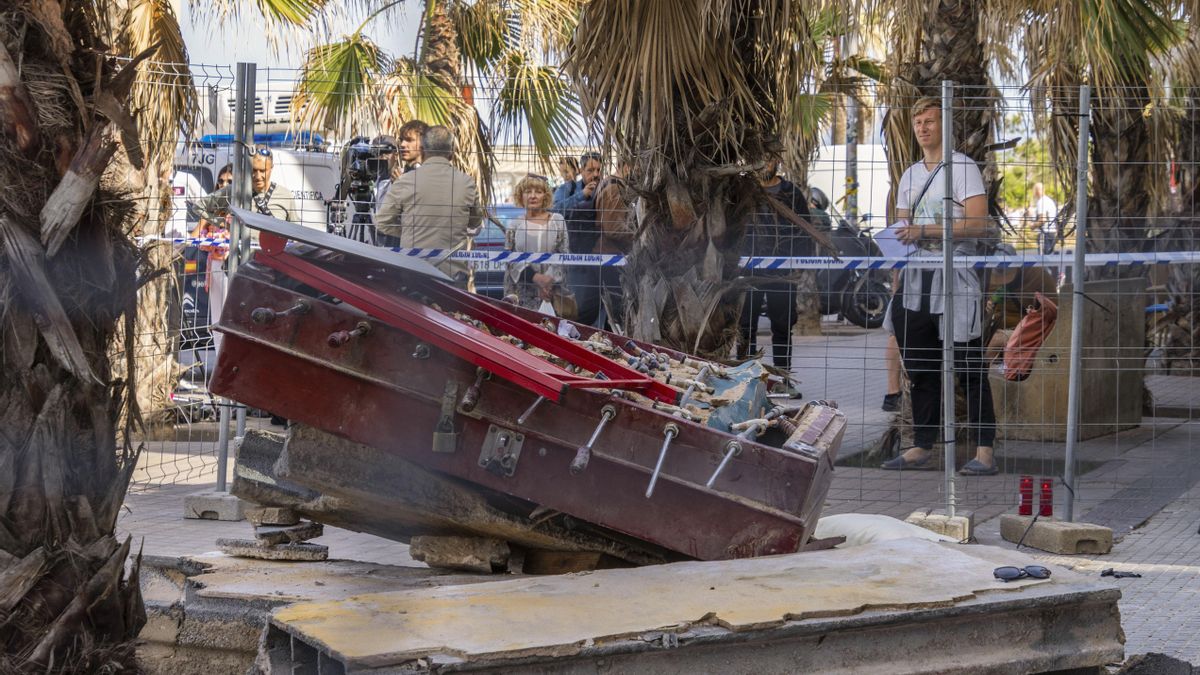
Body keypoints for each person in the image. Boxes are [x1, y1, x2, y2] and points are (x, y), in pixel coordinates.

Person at [881, 96, 998, 476]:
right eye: (917, 121)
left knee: (968, 365)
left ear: (944, 126)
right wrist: (897, 273)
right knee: (921, 367)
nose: (922, 128)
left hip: (956, 277)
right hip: (915, 280)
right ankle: (922, 445)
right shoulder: (910, 174)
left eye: (930, 121)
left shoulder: (963, 168)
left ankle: (984, 452)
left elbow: (979, 224)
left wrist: (926, 230)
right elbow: (901, 230)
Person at [374, 125, 482, 283]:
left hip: (414, 271)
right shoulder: (467, 183)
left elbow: (382, 222)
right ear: (452, 151)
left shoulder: (405, 181)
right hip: (453, 274)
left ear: (423, 150)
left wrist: (409, 231)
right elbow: (475, 222)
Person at [737, 156, 812, 375]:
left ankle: (783, 376)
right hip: (748, 269)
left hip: (782, 270)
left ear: (778, 160)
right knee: (745, 325)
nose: (764, 163)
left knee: (782, 325)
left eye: (769, 159)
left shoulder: (791, 193)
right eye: (760, 158)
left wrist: (799, 263)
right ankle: (743, 377)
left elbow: (804, 229)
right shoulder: (745, 191)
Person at [504, 175, 569, 314]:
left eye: (538, 192)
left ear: (545, 196)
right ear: (520, 196)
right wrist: (535, 278)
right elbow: (509, 259)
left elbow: (564, 254)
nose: (533, 196)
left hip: (552, 294)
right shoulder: (515, 225)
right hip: (522, 296)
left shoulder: (557, 221)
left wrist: (548, 281)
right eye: (528, 191)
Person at [553, 151, 604, 325]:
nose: (595, 174)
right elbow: (555, 211)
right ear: (581, 170)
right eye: (590, 170)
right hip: (576, 262)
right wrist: (581, 195)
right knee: (578, 310)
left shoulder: (606, 189)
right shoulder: (569, 189)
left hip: (604, 260)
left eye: (598, 170)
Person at [1029, 182, 1059, 253]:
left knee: (1043, 259)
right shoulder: (1049, 200)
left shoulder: (1041, 202)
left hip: (1044, 234)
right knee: (1049, 258)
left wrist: (1032, 225)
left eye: (1034, 190)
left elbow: (1043, 219)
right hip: (1051, 232)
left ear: (1036, 191)